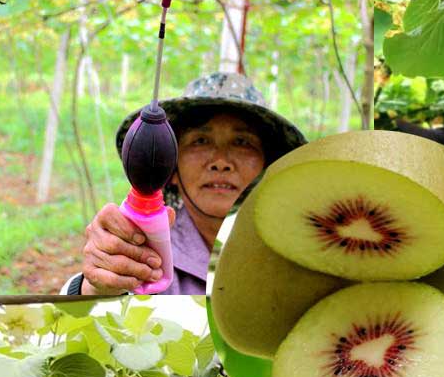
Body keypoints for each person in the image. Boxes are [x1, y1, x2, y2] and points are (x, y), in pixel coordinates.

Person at [63, 72, 305, 295]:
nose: (221, 161)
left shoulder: (296, 251)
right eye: (200, 141)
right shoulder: (144, 248)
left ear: (266, 166)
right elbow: (74, 323)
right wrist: (96, 286)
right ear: (171, 168)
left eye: (242, 142)